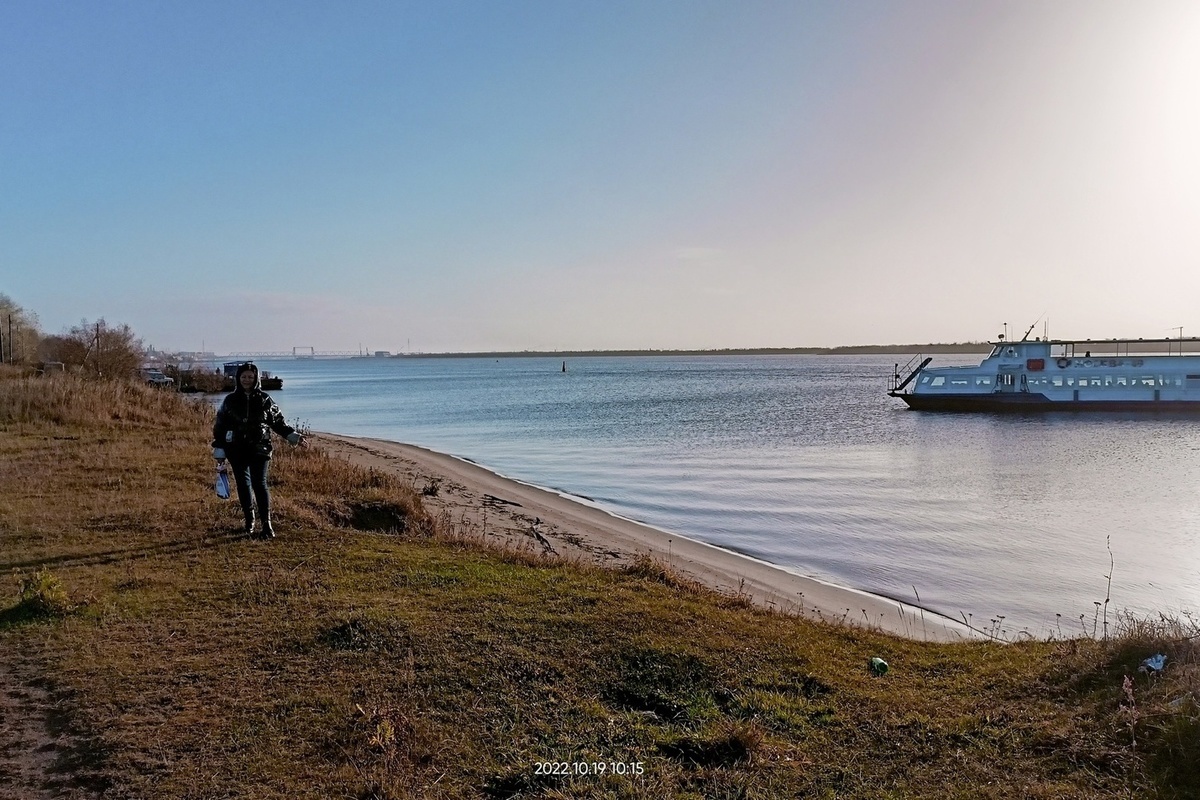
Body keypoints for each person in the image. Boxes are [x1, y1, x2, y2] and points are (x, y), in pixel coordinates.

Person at [211, 362, 302, 539]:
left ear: (256, 379)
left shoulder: (265, 400)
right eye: (244, 377)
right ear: (238, 378)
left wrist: (294, 436)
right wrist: (219, 449)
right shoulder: (230, 401)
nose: (247, 380)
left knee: (260, 485)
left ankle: (266, 525)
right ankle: (249, 521)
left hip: (260, 448)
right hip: (235, 449)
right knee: (243, 485)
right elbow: (220, 426)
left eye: (250, 377)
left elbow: (278, 422)